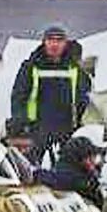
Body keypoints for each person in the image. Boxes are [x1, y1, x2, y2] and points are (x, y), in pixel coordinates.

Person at [11, 25, 92, 164]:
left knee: (69, 170)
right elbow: (19, 97)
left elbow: (83, 97)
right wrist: (21, 123)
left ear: (65, 43)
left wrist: (82, 123)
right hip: (37, 128)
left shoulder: (74, 68)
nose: (54, 44)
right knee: (29, 169)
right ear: (44, 42)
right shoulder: (31, 66)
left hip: (67, 128)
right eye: (50, 40)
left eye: (59, 40)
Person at [35, 131, 107, 208]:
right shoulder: (75, 180)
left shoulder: (85, 180)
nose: (99, 162)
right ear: (83, 156)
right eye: (93, 156)